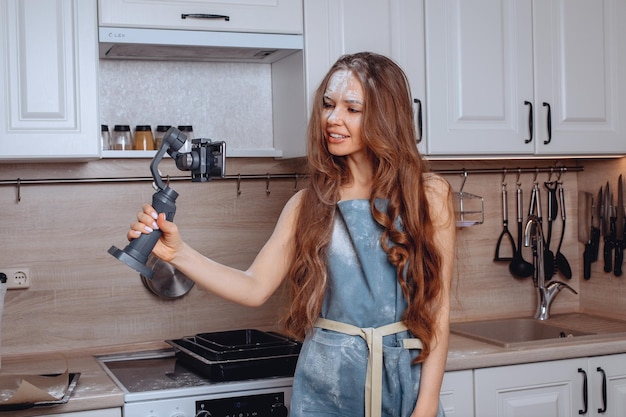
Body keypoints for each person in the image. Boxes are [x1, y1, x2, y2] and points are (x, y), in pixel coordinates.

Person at [127, 52, 455, 417]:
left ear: (386, 117)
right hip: (326, 387)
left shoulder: (429, 195)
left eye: (352, 109)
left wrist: (425, 406)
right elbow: (254, 287)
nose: (332, 119)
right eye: (328, 105)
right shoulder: (307, 205)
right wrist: (178, 253)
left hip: (403, 382)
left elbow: (436, 309)